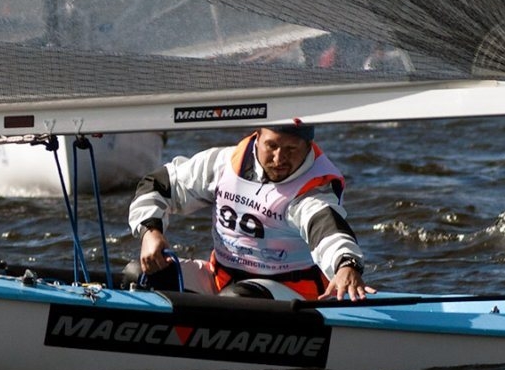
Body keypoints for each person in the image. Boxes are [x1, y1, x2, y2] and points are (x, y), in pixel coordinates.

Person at [128, 123, 375, 301]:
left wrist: (347, 265)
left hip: (291, 293)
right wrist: (150, 231)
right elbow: (157, 184)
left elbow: (328, 230)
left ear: (308, 147)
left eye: (291, 149)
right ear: (257, 137)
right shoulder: (222, 163)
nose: (279, 158)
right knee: (137, 275)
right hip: (221, 280)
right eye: (272, 146)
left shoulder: (312, 191)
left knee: (235, 299)